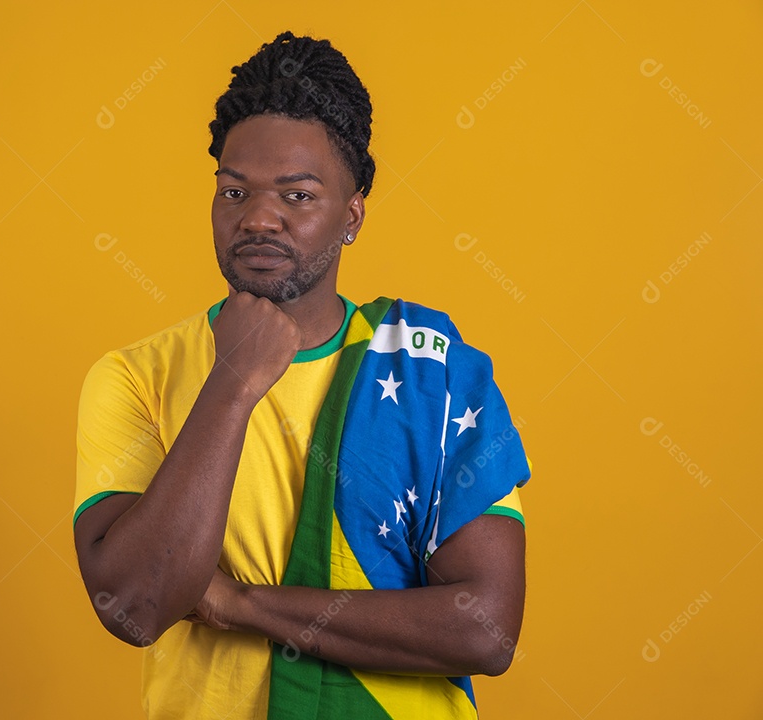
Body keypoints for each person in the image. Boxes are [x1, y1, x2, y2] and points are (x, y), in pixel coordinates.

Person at [73, 30, 531, 720]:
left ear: (352, 216)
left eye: (297, 195)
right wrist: (232, 381)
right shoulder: (134, 377)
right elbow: (136, 605)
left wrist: (238, 603)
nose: (258, 217)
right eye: (234, 191)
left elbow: (485, 629)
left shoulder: (433, 373)